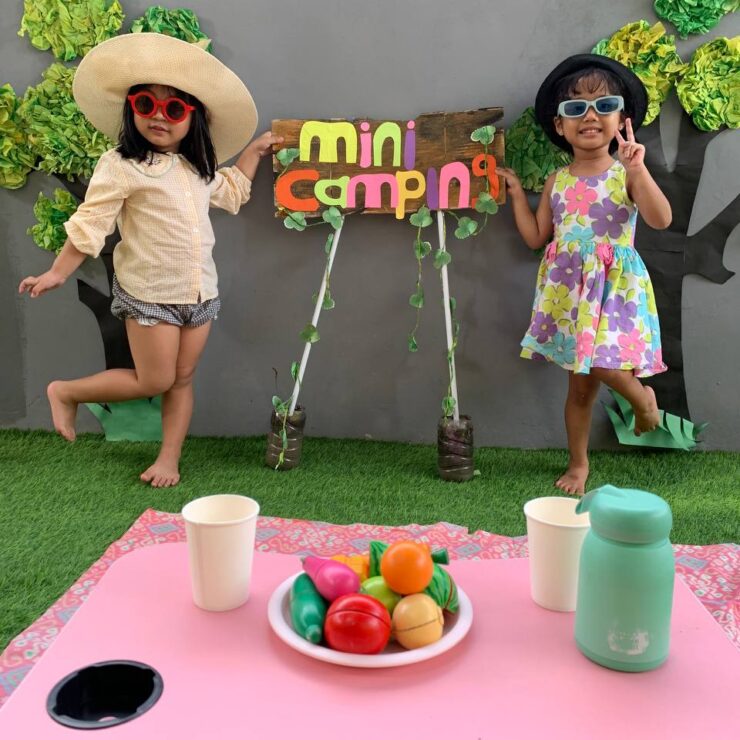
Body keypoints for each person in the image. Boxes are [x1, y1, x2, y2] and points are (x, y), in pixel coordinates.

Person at [18, 33, 282, 488]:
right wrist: (58, 272)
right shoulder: (121, 165)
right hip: (150, 293)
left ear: (192, 118)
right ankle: (67, 392)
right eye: (146, 104)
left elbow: (233, 192)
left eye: (173, 109)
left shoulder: (197, 168)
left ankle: (169, 458)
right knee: (154, 380)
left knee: (182, 379)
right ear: (131, 109)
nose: (159, 116)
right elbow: (92, 222)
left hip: (200, 293)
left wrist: (254, 153)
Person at [497, 54, 672, 495]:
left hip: (615, 292)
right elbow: (537, 237)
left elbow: (661, 219)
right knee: (579, 391)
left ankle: (643, 400)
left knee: (603, 363)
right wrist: (516, 195)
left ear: (622, 120)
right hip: (571, 296)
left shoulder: (625, 174)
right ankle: (578, 464)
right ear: (560, 126)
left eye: (603, 105)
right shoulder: (557, 181)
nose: (590, 116)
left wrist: (638, 170)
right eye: (576, 108)